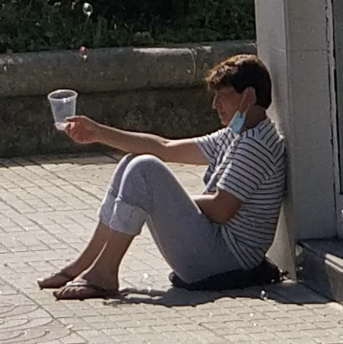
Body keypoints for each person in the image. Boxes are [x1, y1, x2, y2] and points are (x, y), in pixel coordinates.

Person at [41, 55, 287, 300]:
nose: (215, 104)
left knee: (145, 170)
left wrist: (166, 201)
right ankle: (84, 265)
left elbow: (222, 209)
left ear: (249, 97)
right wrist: (97, 133)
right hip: (216, 249)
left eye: (223, 95)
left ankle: (103, 275)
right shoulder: (238, 134)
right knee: (133, 161)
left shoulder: (257, 144)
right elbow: (165, 147)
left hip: (227, 261)